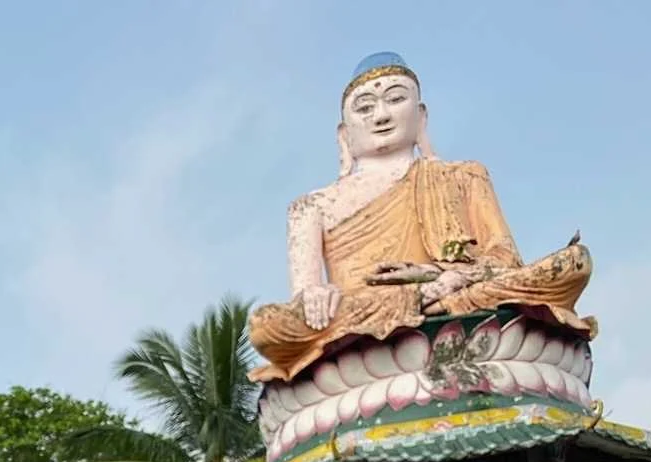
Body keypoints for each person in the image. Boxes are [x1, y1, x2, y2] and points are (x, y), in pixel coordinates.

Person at [249, 53, 593, 382]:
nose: (381, 116)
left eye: (395, 99)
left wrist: (441, 276)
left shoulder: (464, 175)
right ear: (344, 134)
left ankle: (426, 320)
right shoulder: (311, 206)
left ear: (421, 116)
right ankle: (429, 319)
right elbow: (306, 301)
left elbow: (506, 261)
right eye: (365, 108)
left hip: (456, 293)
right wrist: (313, 295)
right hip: (364, 310)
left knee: (572, 263)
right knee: (268, 325)